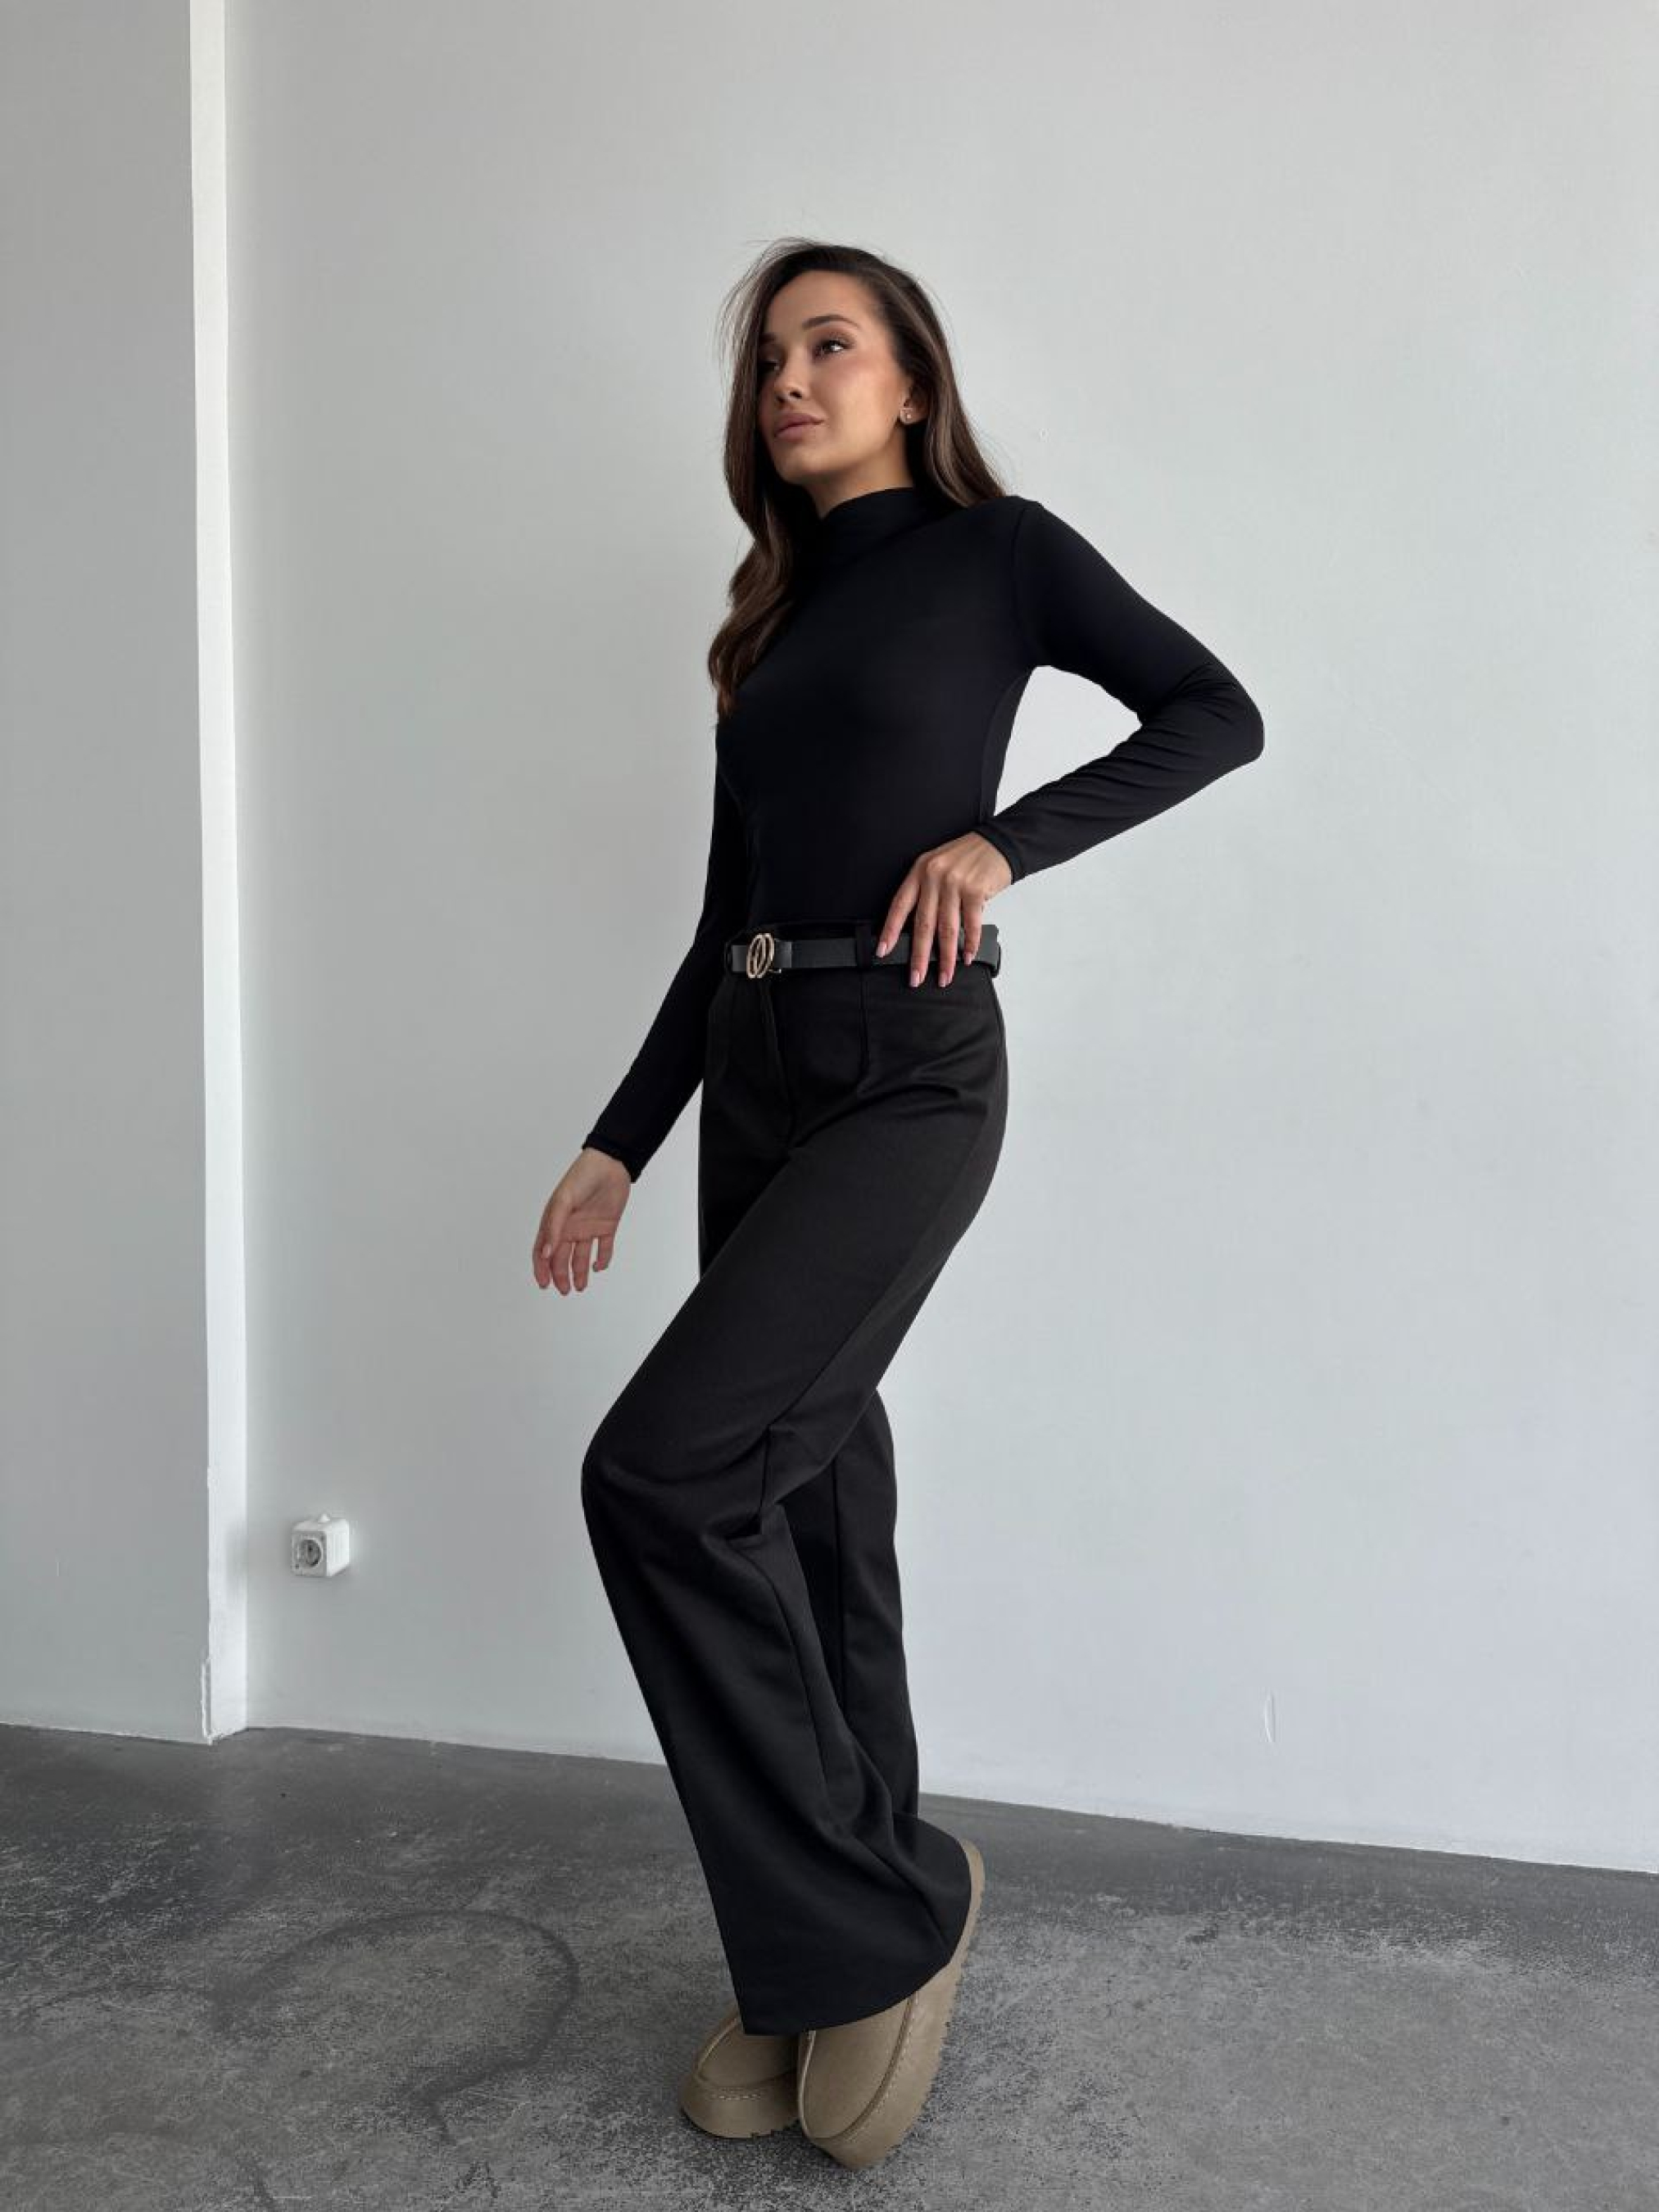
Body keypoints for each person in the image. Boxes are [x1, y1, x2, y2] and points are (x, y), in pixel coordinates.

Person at [530, 238, 1265, 2169]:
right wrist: (619, 1140)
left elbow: (1212, 711)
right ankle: (835, 1931)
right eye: (769, 357)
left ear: (911, 382)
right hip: (758, 1062)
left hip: (911, 1067)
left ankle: (874, 1916)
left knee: (663, 1474)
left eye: (829, 344)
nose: (789, 378)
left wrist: (1001, 845)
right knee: (802, 1494)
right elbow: (721, 919)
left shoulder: (997, 555)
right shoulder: (764, 632)